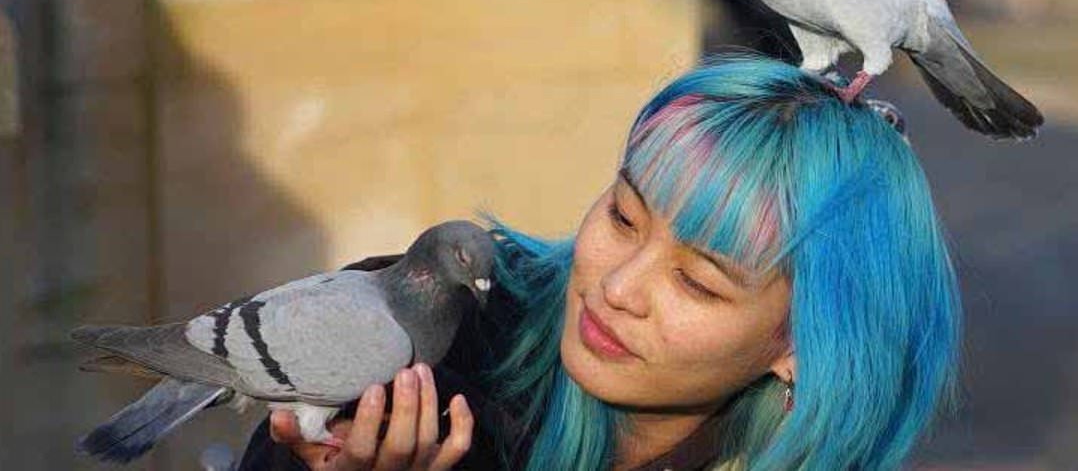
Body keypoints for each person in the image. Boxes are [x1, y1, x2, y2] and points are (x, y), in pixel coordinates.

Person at [238, 56, 962, 471]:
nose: (617, 288)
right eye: (622, 215)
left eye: (696, 280)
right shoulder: (423, 355)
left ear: (803, 346)